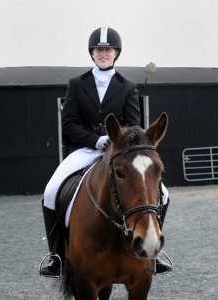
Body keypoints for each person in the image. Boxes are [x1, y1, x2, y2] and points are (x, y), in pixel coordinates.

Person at [40, 26, 172, 277]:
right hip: (83, 150)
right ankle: (56, 255)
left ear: (116, 53)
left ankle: (152, 251)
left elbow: (133, 126)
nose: (103, 53)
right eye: (99, 49)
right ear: (92, 53)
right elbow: (68, 124)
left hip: (119, 152)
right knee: (50, 191)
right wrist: (95, 139)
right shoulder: (77, 84)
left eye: (108, 49)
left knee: (163, 193)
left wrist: (115, 142)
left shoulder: (128, 86)